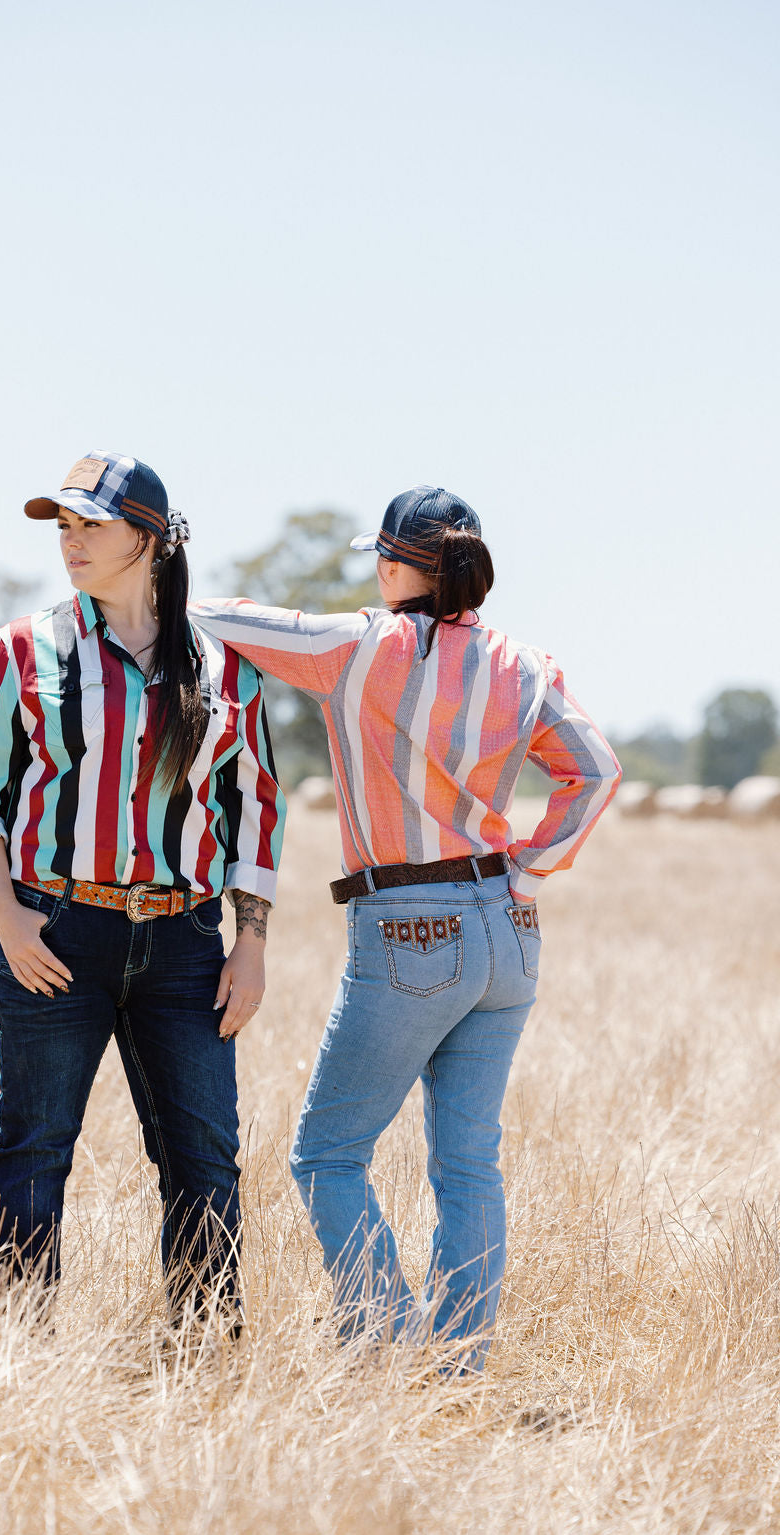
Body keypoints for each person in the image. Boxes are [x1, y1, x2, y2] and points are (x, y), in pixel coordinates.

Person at [191, 485, 621, 1366]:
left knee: (326, 1155)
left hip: (408, 928)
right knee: (468, 1165)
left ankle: (383, 1337)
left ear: (396, 567)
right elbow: (598, 772)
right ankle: (455, 1363)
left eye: (380, 558)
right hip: (509, 930)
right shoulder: (525, 664)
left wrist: (153, 587)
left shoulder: (357, 646)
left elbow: (221, 618)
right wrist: (531, 869)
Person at [0, 450, 285, 1335]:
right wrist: (10, 920)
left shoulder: (227, 669)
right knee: (33, 1148)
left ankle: (204, 1351)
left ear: (150, 537)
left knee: (204, 1158)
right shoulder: (23, 648)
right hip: (55, 934)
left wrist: (250, 945)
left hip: (184, 946)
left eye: (90, 524)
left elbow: (256, 808)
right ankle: (14, 1353)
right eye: (63, 526)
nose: (71, 541)